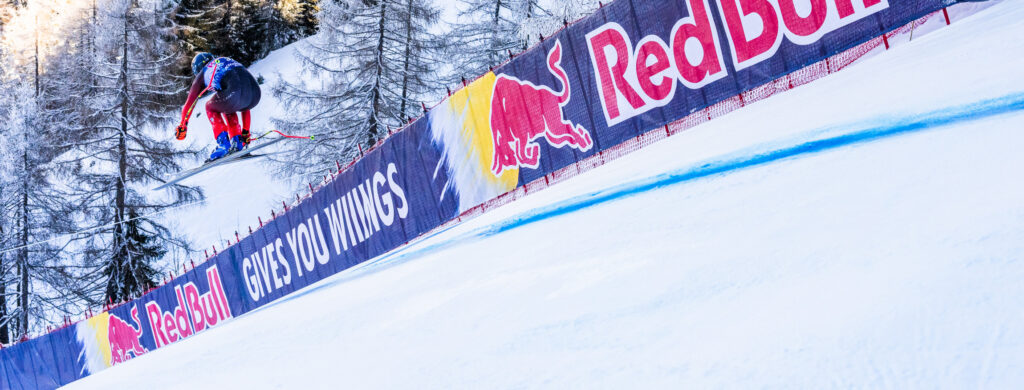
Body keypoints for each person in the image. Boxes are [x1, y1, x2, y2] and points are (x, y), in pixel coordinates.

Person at [175, 52, 262, 161]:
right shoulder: (225, 59)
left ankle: (223, 145)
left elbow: (190, 103)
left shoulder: (203, 73)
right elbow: (244, 101)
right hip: (255, 94)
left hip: (235, 92)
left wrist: (183, 125)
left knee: (209, 106)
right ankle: (237, 142)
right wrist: (246, 132)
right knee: (227, 107)